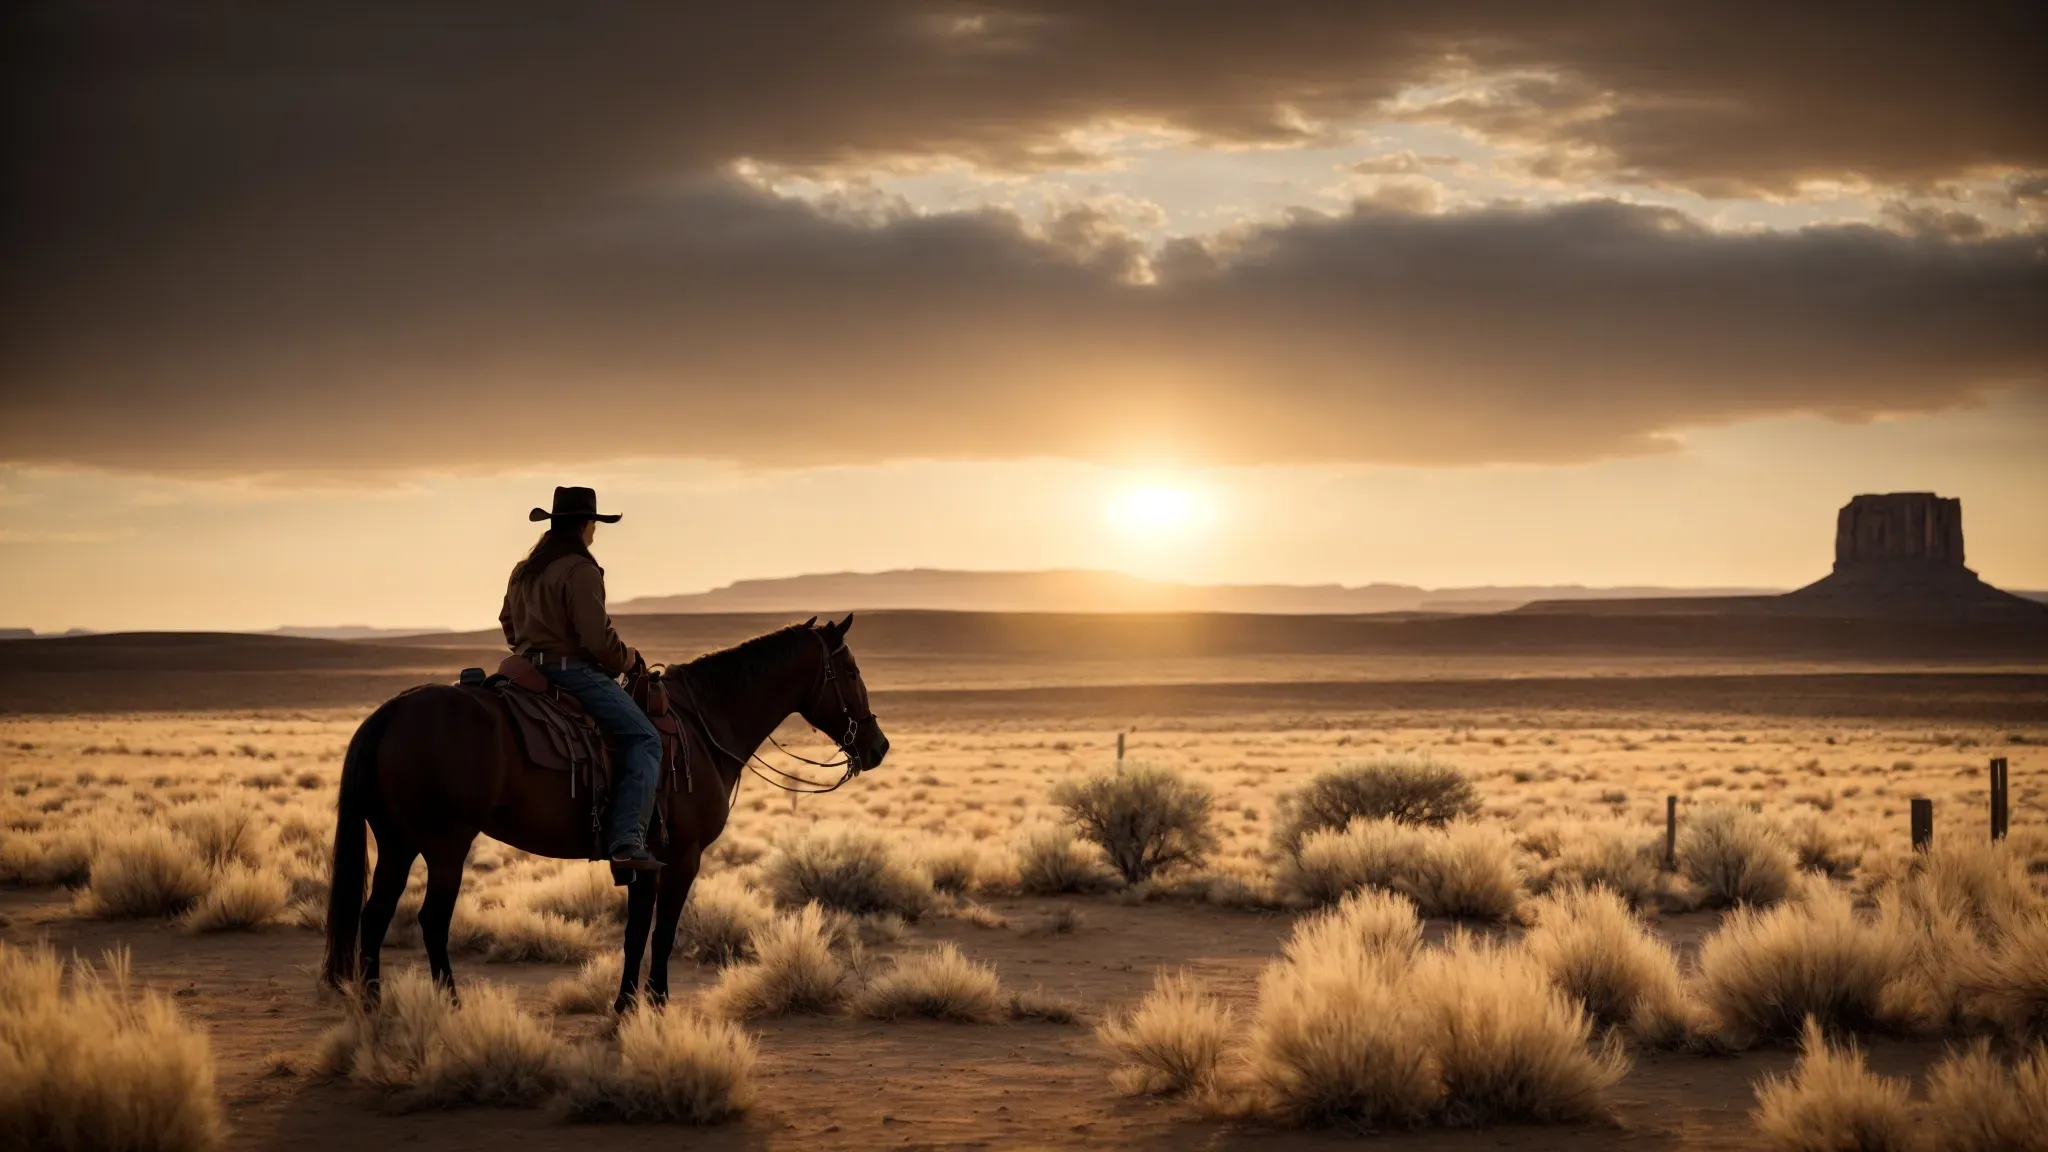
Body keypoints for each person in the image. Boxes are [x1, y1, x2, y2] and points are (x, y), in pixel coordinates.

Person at [498, 486, 662, 871]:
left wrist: (528, 647)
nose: (593, 534)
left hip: (525, 671)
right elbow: (597, 640)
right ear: (586, 525)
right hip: (571, 673)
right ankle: (626, 839)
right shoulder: (580, 570)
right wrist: (628, 659)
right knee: (644, 738)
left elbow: (508, 623)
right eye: (593, 526)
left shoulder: (525, 571)